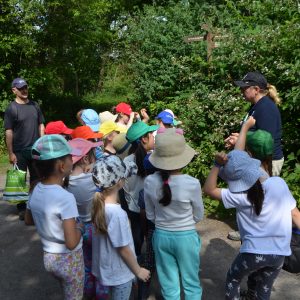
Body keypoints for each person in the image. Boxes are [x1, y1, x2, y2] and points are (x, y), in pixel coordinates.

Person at [203, 149, 300, 300]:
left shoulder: (239, 196)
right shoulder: (278, 183)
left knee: (233, 278)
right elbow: (295, 215)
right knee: (264, 287)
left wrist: (217, 164)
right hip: (279, 254)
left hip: (253, 253)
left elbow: (209, 189)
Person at [144, 128, 204, 300]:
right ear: (184, 159)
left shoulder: (149, 181)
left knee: (168, 285)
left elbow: (150, 215)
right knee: (191, 282)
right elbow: (198, 214)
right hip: (186, 237)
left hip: (161, 236)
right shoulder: (192, 183)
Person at [24, 135, 84, 300]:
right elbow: (71, 243)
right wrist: (80, 228)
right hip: (69, 260)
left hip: (49, 259)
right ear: (61, 165)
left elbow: (28, 220)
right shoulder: (65, 198)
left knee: (65, 289)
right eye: (71, 157)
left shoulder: (35, 189)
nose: (73, 160)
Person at [91, 155, 150, 300]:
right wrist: (138, 271)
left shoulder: (98, 206)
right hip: (120, 274)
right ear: (119, 182)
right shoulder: (117, 214)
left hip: (105, 270)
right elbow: (123, 249)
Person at [65, 138, 108, 300]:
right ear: (85, 159)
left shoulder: (65, 182)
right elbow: (109, 165)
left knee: (88, 267)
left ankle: (88, 294)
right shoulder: (93, 179)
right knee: (101, 267)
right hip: (97, 228)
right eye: (92, 154)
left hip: (79, 229)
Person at [225, 71, 284, 176]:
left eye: (244, 88)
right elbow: (257, 134)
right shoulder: (256, 106)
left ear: (256, 89)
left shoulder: (266, 108)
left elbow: (265, 141)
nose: (241, 90)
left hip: (268, 163)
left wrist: (240, 140)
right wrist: (239, 138)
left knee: (262, 192)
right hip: (258, 160)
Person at [4, 77, 45, 219]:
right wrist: (10, 153)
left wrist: (42, 142)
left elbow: (41, 124)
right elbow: (8, 132)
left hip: (35, 149)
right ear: (14, 90)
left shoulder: (34, 105)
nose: (24, 90)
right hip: (19, 151)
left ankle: (35, 204)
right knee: (20, 180)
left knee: (37, 179)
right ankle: (22, 209)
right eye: (21, 88)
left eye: (25, 87)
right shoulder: (11, 108)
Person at [124, 121, 159, 256]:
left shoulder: (126, 161)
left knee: (136, 237)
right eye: (151, 135)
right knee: (151, 236)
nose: (154, 137)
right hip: (152, 208)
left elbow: (125, 188)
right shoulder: (154, 159)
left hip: (133, 208)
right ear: (144, 139)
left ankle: (137, 259)